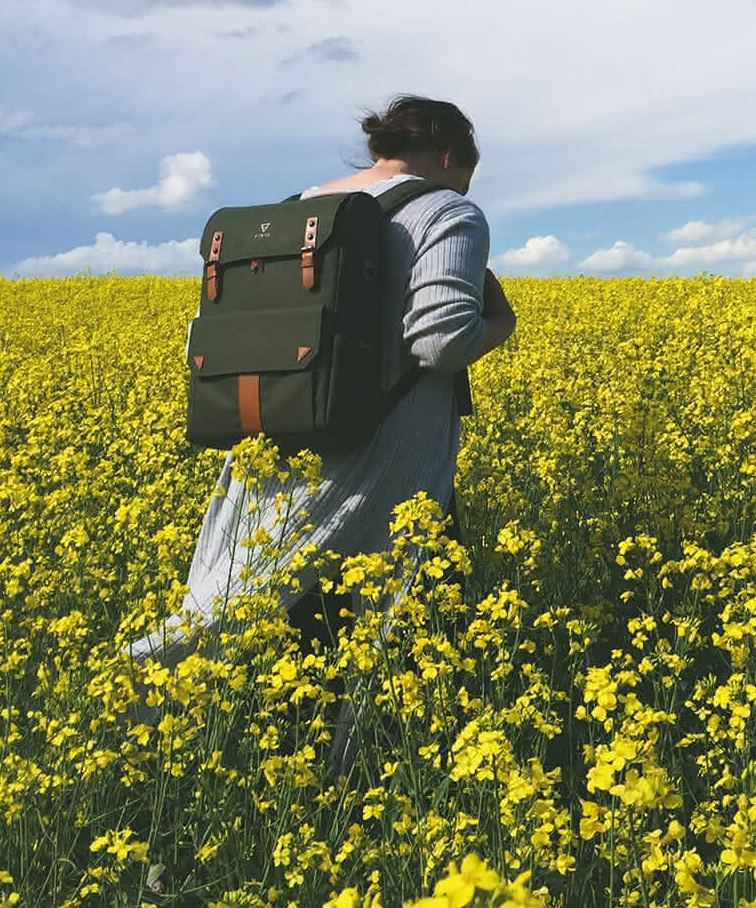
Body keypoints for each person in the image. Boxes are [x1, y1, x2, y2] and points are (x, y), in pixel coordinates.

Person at [125, 96, 517, 752]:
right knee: (426, 639)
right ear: (450, 156)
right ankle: (423, 779)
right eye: (463, 177)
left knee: (303, 636)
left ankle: (296, 778)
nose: (460, 191)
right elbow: (441, 342)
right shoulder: (445, 209)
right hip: (389, 465)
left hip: (280, 447)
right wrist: (500, 322)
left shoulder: (294, 211)